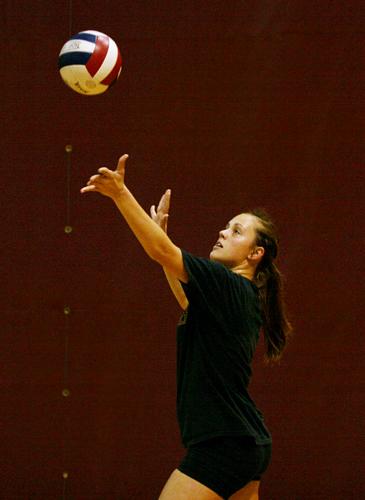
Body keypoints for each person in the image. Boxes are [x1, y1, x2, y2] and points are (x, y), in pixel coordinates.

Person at [81, 155, 292, 500]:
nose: (223, 232)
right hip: (246, 443)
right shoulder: (238, 294)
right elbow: (186, 300)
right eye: (226, 226)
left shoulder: (227, 283)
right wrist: (159, 235)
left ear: (255, 254)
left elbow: (161, 251)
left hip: (223, 444)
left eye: (236, 231)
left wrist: (120, 194)